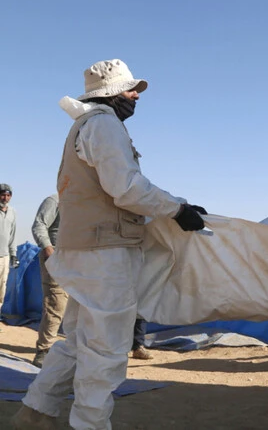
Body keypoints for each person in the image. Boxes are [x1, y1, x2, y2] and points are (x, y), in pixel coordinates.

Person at [12, 59, 207, 430]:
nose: (136, 96)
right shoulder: (105, 126)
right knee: (105, 351)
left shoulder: (85, 126)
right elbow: (127, 188)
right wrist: (177, 209)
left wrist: (173, 206)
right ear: (112, 93)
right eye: (131, 89)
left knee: (76, 343)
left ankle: (35, 412)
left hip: (83, 251)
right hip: (105, 255)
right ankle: (89, 424)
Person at [31, 194, 67, 369]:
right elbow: (39, 225)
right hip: (56, 257)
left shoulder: (84, 202)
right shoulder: (55, 200)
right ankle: (44, 350)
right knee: (56, 303)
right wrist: (48, 249)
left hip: (79, 260)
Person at [0, 183, 18, 320]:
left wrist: (13, 255)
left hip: (4, 257)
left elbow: (13, 235)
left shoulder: (12, 212)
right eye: (2, 194)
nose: (5, 198)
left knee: (2, 288)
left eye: (8, 195)